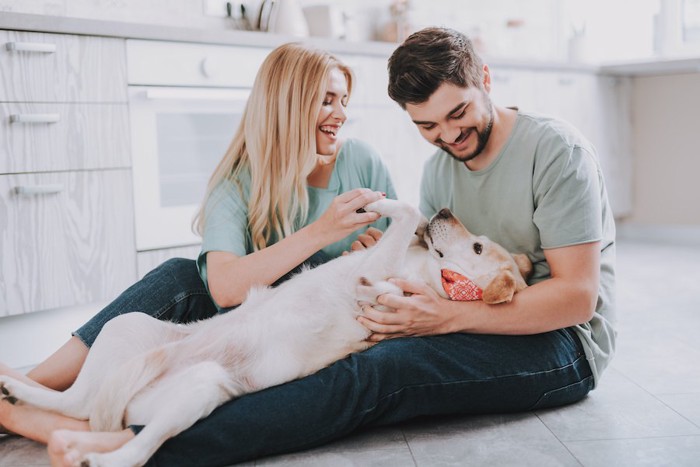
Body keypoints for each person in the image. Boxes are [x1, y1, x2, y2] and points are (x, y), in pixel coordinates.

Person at [8, 27, 617, 466]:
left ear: (485, 80)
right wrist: (405, 287)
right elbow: (426, 268)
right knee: (178, 276)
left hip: (553, 340)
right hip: (301, 317)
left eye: (457, 114)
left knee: (376, 372)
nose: (449, 135)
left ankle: (140, 446)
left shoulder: (552, 152)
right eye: (427, 127)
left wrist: (432, 314)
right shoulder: (438, 170)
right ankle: (31, 389)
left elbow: (576, 299)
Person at [0, 42, 395, 462]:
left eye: (344, 101)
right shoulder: (237, 181)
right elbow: (225, 289)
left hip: (310, 337)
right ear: (288, 106)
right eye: (327, 100)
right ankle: (33, 390)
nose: (341, 114)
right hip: (245, 324)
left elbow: (399, 253)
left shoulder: (360, 162)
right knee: (183, 276)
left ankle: (21, 402)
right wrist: (321, 232)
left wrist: (376, 250)